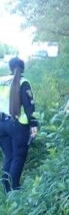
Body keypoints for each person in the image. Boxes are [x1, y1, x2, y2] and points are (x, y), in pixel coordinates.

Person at [0, 57, 39, 191]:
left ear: (10, 67)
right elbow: (29, 106)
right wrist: (34, 125)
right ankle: (14, 188)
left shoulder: (2, 80)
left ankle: (5, 186)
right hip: (17, 125)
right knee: (18, 156)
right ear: (23, 68)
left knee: (9, 156)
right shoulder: (23, 82)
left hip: (1, 124)